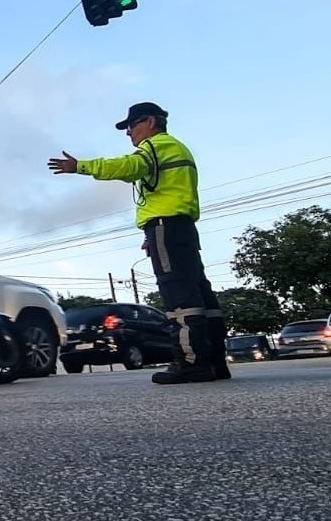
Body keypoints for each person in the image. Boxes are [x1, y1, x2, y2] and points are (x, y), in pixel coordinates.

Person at [46, 102, 229, 385]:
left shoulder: (156, 146)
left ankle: (191, 363)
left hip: (166, 226)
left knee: (178, 296)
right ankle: (215, 362)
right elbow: (167, 192)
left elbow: (130, 166)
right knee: (200, 296)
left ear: (151, 122)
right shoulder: (176, 147)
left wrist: (80, 166)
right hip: (180, 227)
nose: (128, 132)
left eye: (132, 125)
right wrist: (150, 235)